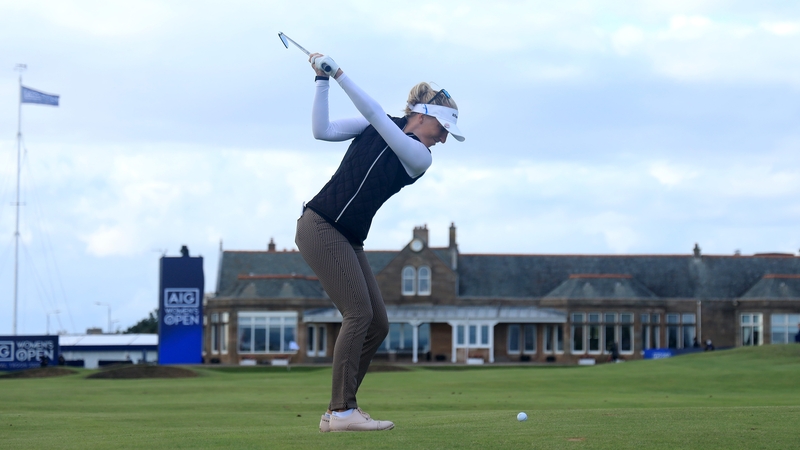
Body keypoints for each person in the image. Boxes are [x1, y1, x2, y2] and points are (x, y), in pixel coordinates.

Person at [294, 53, 463, 433]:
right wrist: (324, 80)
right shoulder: (381, 124)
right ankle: (341, 411)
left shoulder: (419, 156)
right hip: (320, 225)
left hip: (348, 237)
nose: (443, 138)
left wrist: (336, 74)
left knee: (378, 324)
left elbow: (375, 115)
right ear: (422, 116)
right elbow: (322, 130)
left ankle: (337, 410)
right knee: (359, 314)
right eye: (443, 128)